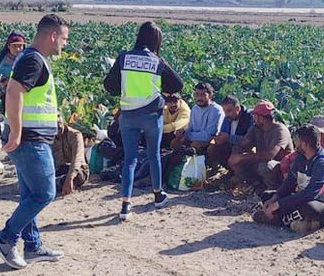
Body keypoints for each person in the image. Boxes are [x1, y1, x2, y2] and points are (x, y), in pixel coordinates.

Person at [0, 14, 70, 269]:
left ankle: (33, 245)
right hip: (29, 139)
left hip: (33, 136)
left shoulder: (33, 59)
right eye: (64, 39)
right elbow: (14, 92)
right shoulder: (34, 60)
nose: (64, 45)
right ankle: (6, 239)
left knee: (29, 194)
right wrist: (16, 132)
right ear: (53, 35)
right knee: (45, 192)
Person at [103, 21, 184, 221]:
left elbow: (109, 86)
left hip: (128, 115)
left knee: (129, 160)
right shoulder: (157, 61)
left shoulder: (123, 58)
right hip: (151, 115)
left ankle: (125, 205)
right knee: (153, 155)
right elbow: (178, 84)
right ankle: (158, 196)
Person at [253, 124, 324, 234]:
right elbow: (289, 184)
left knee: (309, 207)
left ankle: (279, 219)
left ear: (305, 143)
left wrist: (279, 204)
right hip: (304, 197)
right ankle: (298, 219)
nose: (295, 143)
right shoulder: (301, 159)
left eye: (297, 140)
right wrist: (275, 198)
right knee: (267, 195)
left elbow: (310, 194)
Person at [228, 100, 293, 190]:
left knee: (265, 166)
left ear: (261, 118)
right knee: (237, 155)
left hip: (281, 167)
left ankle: (274, 190)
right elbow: (244, 143)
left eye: (255, 116)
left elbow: (269, 155)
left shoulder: (280, 131)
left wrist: (242, 157)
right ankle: (255, 184)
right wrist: (236, 153)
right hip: (261, 162)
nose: (253, 118)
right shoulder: (256, 128)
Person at [174, 82, 224, 154]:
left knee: (195, 145)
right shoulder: (195, 108)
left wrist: (187, 135)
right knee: (175, 142)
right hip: (194, 138)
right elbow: (191, 127)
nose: (199, 98)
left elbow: (208, 135)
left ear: (210, 96)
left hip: (210, 141)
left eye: (203, 95)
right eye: (197, 94)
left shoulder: (216, 110)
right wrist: (182, 132)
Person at [206, 95, 253, 170]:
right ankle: (230, 171)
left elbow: (249, 140)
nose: (226, 114)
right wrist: (218, 138)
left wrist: (229, 138)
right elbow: (223, 133)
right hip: (230, 147)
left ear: (237, 108)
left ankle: (242, 175)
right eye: (225, 111)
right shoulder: (227, 118)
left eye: (229, 111)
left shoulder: (249, 117)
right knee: (212, 149)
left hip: (244, 149)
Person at [0, 31, 27, 108]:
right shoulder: (1, 59)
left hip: (20, 93)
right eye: (14, 46)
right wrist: (0, 80)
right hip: (3, 93)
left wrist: (11, 81)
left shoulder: (26, 60)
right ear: (8, 46)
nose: (17, 49)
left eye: (20, 46)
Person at [53, 118, 89, 197]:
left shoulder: (75, 135)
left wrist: (70, 178)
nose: (57, 132)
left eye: (59, 128)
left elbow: (77, 160)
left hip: (78, 170)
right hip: (62, 168)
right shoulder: (51, 136)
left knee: (77, 177)